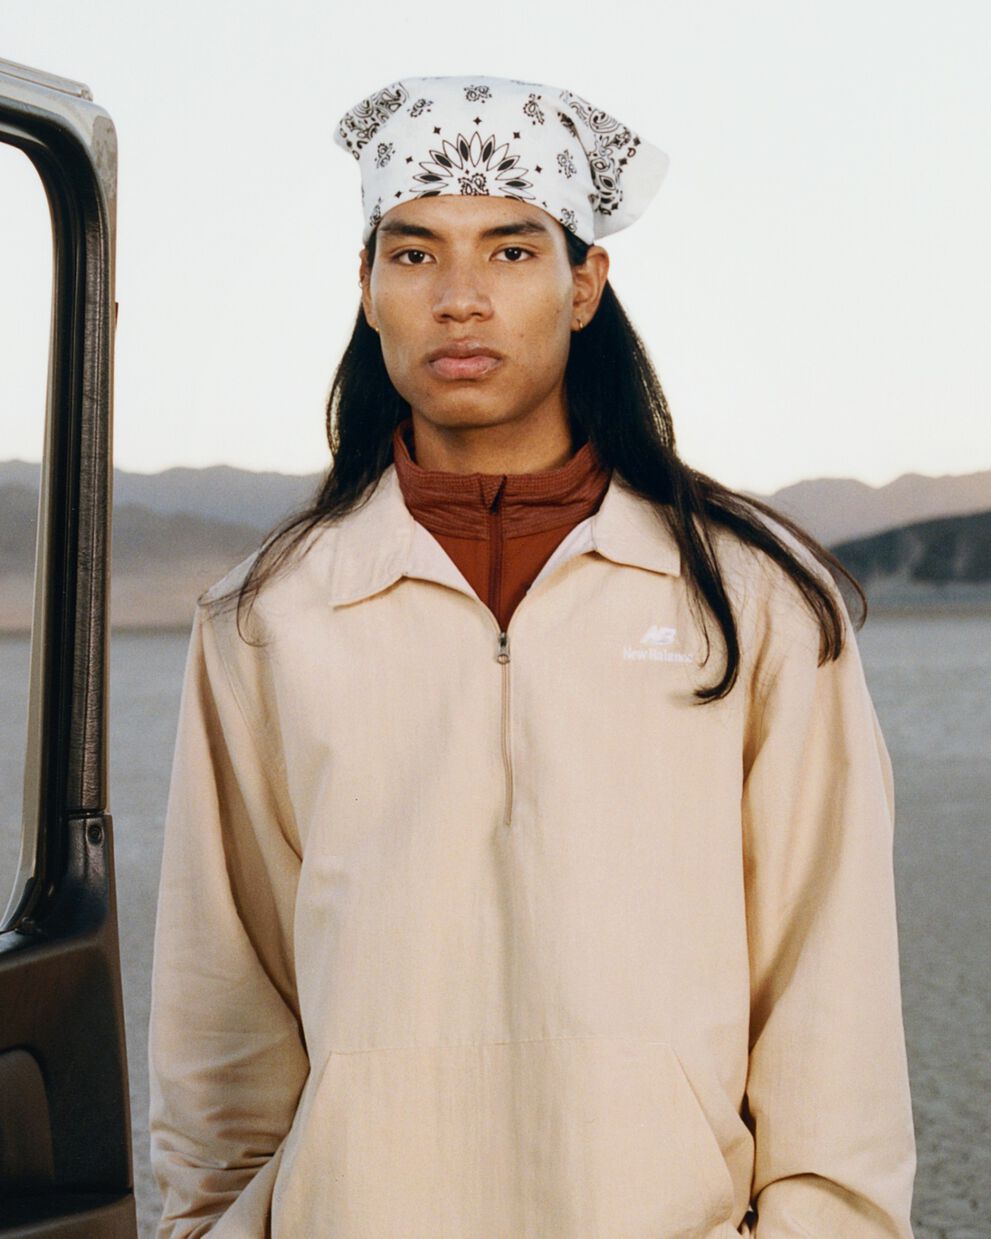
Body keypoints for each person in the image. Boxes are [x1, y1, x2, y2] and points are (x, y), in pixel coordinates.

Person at [148, 74, 917, 1237]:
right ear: (365, 288)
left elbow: (833, 993)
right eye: (412, 256)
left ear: (584, 286)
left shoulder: (756, 602)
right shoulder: (266, 617)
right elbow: (223, 1001)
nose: (459, 298)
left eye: (510, 252)